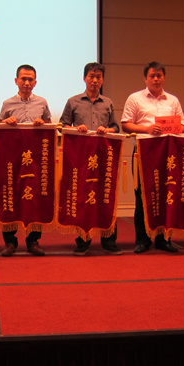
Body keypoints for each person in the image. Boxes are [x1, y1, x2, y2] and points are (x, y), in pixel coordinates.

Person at [121, 61, 184, 254]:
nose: (156, 79)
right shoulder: (135, 98)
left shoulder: (172, 100)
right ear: (145, 78)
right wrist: (147, 129)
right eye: (152, 76)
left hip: (168, 154)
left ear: (164, 78)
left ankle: (163, 239)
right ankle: (142, 240)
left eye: (159, 76)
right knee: (142, 197)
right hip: (144, 152)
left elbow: (183, 126)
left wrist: (174, 128)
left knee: (167, 195)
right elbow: (126, 124)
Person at [60, 62, 122, 256]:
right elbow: (62, 126)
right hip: (81, 159)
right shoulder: (73, 102)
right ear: (84, 78)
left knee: (106, 195)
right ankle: (83, 240)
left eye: (98, 77)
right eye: (91, 76)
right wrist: (75, 129)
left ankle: (109, 240)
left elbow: (116, 128)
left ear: (102, 80)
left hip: (103, 158)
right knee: (82, 196)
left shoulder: (108, 102)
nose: (95, 80)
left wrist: (108, 130)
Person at [0, 64, 52, 257]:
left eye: (30, 79)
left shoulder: (42, 102)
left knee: (35, 196)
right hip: (13, 159)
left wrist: (42, 123)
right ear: (16, 81)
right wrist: (6, 122)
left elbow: (50, 126)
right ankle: (10, 241)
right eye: (23, 79)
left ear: (35, 82)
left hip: (35, 160)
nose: (27, 83)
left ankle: (33, 240)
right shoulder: (7, 104)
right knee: (11, 195)